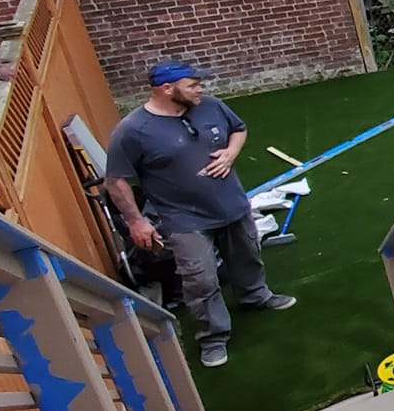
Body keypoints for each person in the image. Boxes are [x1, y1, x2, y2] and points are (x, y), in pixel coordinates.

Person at [103, 61, 295, 368]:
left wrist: (231, 153)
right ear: (167, 89)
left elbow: (239, 129)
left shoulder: (210, 106)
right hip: (184, 219)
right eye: (192, 85)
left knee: (247, 255)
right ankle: (213, 336)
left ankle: (255, 296)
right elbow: (115, 181)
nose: (200, 89)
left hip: (231, 204)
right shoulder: (133, 131)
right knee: (200, 278)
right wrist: (136, 221)